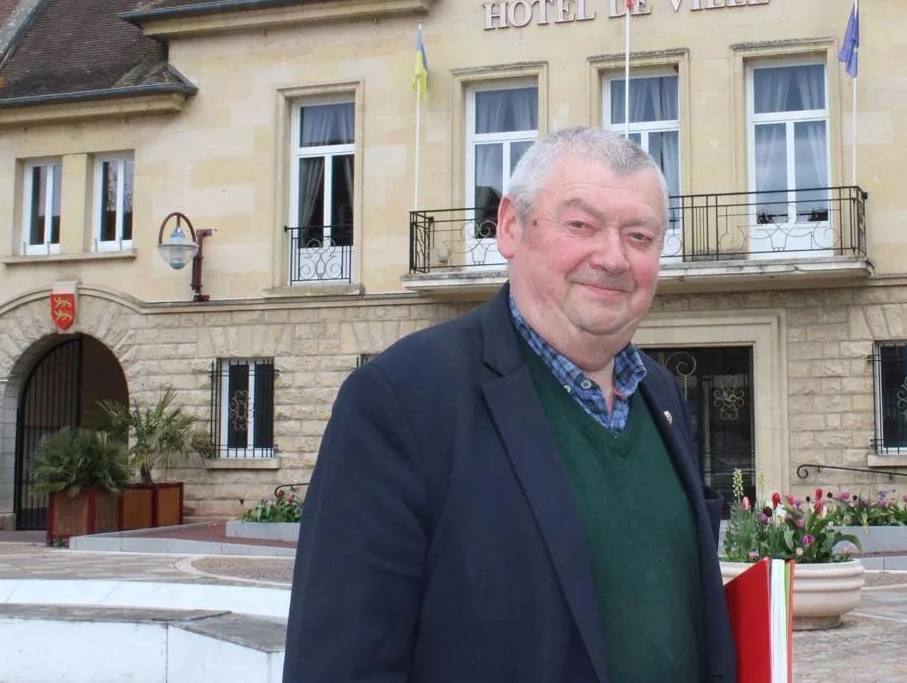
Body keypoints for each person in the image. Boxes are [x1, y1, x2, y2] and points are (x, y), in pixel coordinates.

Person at [283, 126, 736, 682]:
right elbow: (340, 665)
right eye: (581, 225)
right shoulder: (402, 399)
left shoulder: (662, 396)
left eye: (640, 236)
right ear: (510, 227)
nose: (613, 257)